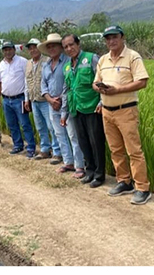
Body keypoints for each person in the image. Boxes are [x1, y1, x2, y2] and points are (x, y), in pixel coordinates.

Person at [93, 25, 151, 205]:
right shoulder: (103, 60)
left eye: (114, 37)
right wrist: (100, 88)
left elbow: (142, 82)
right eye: (108, 38)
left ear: (122, 37)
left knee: (134, 150)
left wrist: (118, 90)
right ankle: (124, 181)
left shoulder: (133, 57)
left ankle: (142, 188)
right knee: (115, 149)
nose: (111, 41)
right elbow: (96, 82)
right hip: (107, 111)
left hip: (126, 110)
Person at [62, 34, 106, 188]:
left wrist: (102, 101)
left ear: (78, 44)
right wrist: (64, 112)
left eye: (71, 44)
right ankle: (90, 171)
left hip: (92, 107)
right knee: (83, 142)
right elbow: (66, 89)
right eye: (66, 47)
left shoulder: (91, 58)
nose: (69, 49)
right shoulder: (67, 66)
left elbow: (102, 80)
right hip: (76, 109)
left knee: (96, 142)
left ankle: (100, 175)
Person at [39, 33, 85, 177]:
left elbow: (70, 84)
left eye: (54, 46)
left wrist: (60, 100)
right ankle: (68, 162)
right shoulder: (46, 65)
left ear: (60, 47)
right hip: (52, 106)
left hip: (68, 104)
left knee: (73, 135)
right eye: (49, 47)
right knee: (59, 134)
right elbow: (43, 86)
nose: (52, 49)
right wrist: (50, 100)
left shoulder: (67, 62)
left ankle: (80, 165)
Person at [0, 41, 36, 158]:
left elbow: (27, 79)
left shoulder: (22, 61)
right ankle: (18, 145)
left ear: (14, 49)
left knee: (25, 124)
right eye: (5, 50)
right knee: (12, 124)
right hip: (6, 100)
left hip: (20, 98)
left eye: (9, 49)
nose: (7, 52)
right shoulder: (2, 64)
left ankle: (31, 147)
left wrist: (27, 98)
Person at [24, 38, 59, 161]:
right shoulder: (28, 64)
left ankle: (57, 151)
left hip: (46, 100)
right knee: (40, 127)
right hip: (34, 100)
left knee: (52, 127)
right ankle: (45, 149)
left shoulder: (47, 61)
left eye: (34, 47)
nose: (32, 50)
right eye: (30, 48)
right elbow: (26, 82)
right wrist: (26, 99)